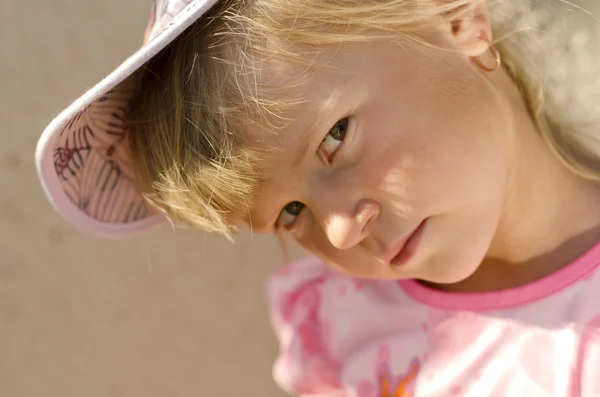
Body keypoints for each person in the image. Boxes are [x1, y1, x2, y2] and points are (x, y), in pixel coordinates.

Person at [36, 0, 600, 395]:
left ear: (453, 17)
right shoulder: (343, 327)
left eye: (335, 137)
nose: (338, 231)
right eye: (290, 214)